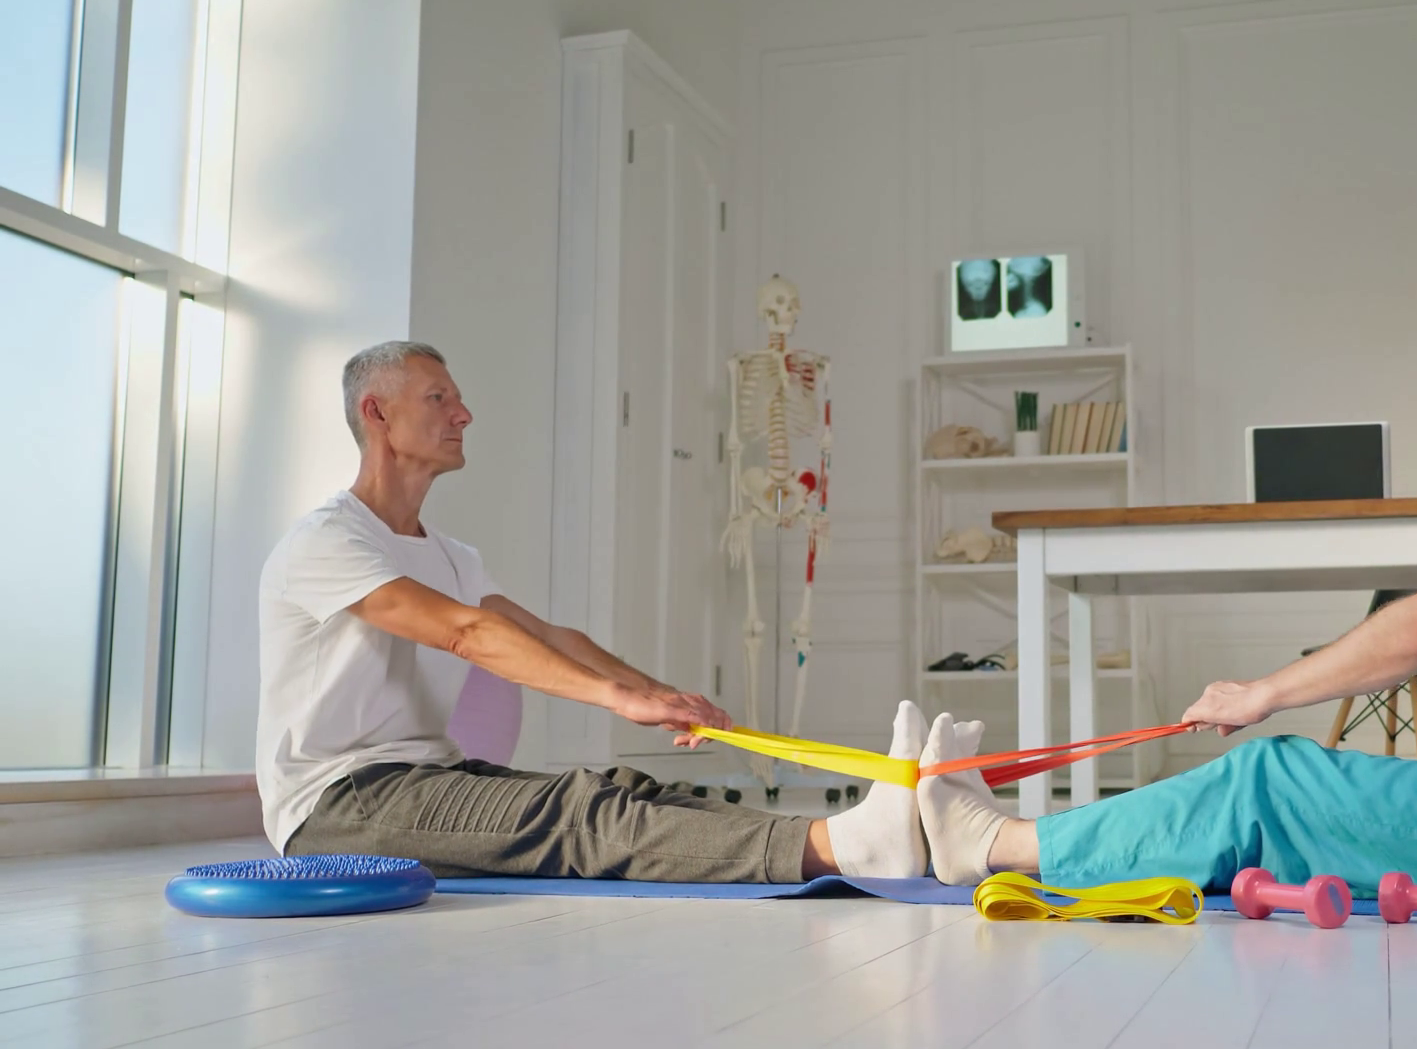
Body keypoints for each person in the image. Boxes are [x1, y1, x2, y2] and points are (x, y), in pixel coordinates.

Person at [916, 261, 1417, 909]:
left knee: (1266, 783)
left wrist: (1262, 693)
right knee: (1278, 790)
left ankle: (991, 846)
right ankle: (1010, 837)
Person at [257, 341, 944, 882]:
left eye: (459, 400)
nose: (464, 415)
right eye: (439, 398)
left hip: (427, 777)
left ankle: (885, 833)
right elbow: (468, 634)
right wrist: (617, 699)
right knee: (579, 816)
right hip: (337, 806)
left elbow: (547, 634)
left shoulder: (451, 556)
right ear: (376, 414)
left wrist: (657, 693)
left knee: (621, 788)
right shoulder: (329, 540)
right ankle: (848, 849)